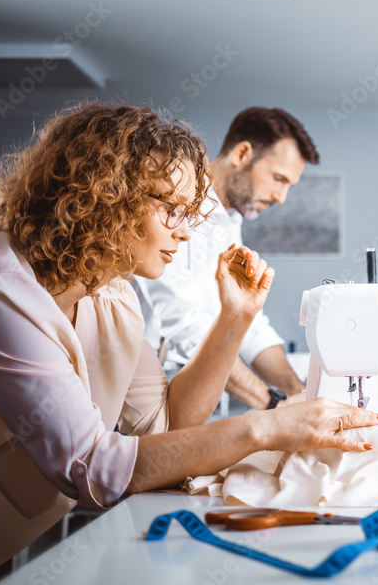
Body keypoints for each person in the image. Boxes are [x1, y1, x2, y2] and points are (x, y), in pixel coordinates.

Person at [0, 103, 378, 585]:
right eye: (170, 209)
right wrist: (269, 427)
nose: (186, 230)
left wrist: (235, 318)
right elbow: (95, 467)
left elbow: (169, 427)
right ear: (104, 196)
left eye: (189, 212)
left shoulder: (111, 293)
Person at [132, 107, 318, 411]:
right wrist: (273, 404)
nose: (281, 197)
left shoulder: (229, 221)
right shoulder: (177, 210)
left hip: (190, 393)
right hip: (140, 389)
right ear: (242, 153)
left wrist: (301, 393)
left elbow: (250, 326)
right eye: (278, 179)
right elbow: (188, 328)